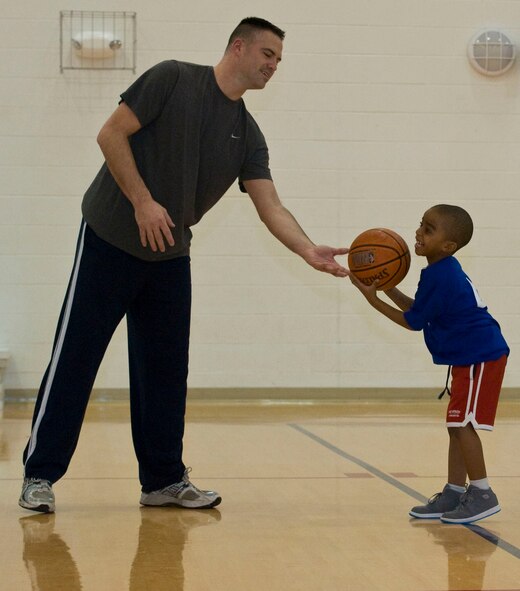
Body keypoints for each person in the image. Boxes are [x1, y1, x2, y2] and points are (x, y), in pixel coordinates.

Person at [19, 17, 349, 514]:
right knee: (76, 357)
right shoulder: (172, 77)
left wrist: (307, 249)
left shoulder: (248, 134)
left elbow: (271, 204)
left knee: (166, 370)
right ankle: (39, 475)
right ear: (237, 47)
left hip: (170, 252)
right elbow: (110, 135)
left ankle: (163, 481)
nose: (273, 66)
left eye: (279, 60)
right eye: (267, 54)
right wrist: (142, 201)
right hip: (110, 236)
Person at [350, 204, 509, 524]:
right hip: (469, 356)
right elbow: (420, 311)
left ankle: (482, 494)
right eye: (421, 225)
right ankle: (454, 491)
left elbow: (412, 322)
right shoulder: (439, 271)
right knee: (455, 425)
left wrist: (374, 299)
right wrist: (388, 286)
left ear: (448, 245)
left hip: (480, 355)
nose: (419, 233)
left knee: (463, 425)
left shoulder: (443, 275)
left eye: (429, 229)